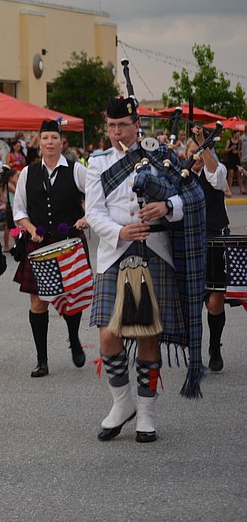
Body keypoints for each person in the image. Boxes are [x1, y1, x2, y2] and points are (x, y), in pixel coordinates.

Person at [86, 97, 186, 443]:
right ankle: (122, 402)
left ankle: (147, 411)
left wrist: (167, 206)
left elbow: (187, 195)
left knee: (148, 333)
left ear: (136, 125)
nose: (117, 132)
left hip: (154, 250)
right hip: (115, 252)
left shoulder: (159, 156)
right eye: (112, 126)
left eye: (123, 126)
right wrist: (120, 232)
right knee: (108, 334)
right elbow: (93, 211)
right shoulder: (98, 163)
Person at [12, 120, 88, 377]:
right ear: (40, 142)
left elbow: (95, 197)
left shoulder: (76, 170)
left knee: (71, 298)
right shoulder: (27, 173)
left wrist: (86, 217)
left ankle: (74, 339)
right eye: (45, 138)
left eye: (54, 137)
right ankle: (42, 360)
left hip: (69, 243)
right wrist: (31, 229)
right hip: (39, 243)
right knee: (38, 301)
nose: (49, 142)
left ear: (61, 142)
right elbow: (19, 210)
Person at [185, 129, 229, 371]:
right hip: (190, 244)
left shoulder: (215, 171)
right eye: (192, 152)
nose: (196, 156)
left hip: (215, 241)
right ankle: (194, 352)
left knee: (214, 300)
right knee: (192, 303)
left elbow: (217, 176)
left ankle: (214, 346)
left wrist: (203, 144)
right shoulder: (179, 177)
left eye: (200, 152)